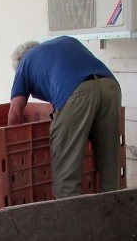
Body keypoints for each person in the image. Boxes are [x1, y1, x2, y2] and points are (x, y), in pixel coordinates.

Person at [8, 36, 122, 198]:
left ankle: (71, 221)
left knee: (66, 177)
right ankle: (115, 216)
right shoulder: (66, 42)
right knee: (110, 167)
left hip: (77, 92)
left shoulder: (24, 62)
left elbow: (14, 114)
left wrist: (13, 150)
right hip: (110, 86)